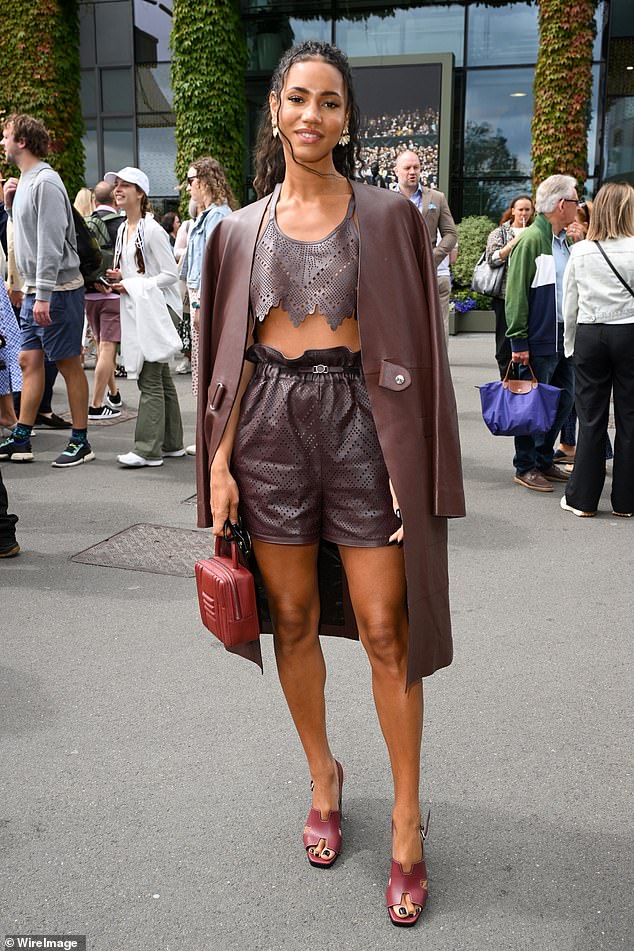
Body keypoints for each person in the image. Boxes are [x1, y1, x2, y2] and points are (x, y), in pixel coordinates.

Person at [196, 41, 464, 927]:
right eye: (298, 99)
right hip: (267, 430)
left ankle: (404, 818)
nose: (313, 116)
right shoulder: (236, 227)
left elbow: (421, 352)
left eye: (331, 104)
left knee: (390, 628)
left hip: (361, 426)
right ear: (275, 108)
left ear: (349, 121)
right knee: (296, 617)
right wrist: (219, 462)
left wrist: (408, 462)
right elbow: (225, 358)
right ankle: (322, 772)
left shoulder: (391, 217)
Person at [0, 114, 94, 468]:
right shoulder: (25, 181)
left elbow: (51, 243)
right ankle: (22, 436)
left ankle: (81, 441)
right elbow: (25, 237)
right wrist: (10, 205)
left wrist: (41, 294)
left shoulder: (46, 182)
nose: (3, 142)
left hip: (57, 291)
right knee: (28, 360)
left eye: (6, 136)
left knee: (69, 364)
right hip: (38, 290)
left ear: (22, 141)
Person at [504, 174, 585, 492]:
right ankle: (525, 465)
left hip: (564, 336)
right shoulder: (531, 241)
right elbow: (516, 294)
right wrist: (519, 340)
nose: (578, 206)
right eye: (576, 201)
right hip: (540, 337)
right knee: (532, 404)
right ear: (562, 204)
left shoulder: (562, 240)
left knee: (564, 401)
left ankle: (542, 458)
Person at [560, 182, 634, 518]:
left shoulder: (581, 251)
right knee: (631, 418)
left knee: (590, 418)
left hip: (591, 332)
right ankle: (627, 500)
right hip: (629, 332)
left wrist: (570, 344)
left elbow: (569, 305)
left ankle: (582, 500)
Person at [104, 167, 185, 468]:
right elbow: (138, 272)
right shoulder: (125, 228)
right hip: (146, 306)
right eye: (116, 185)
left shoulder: (151, 230)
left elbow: (169, 274)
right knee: (160, 377)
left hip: (160, 309)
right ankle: (172, 444)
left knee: (149, 378)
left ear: (140, 193)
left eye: (126, 185)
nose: (118, 189)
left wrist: (132, 283)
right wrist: (120, 276)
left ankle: (148, 450)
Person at [184, 156, 235, 456]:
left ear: (203, 181)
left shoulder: (216, 217)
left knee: (207, 369)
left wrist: (200, 304)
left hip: (205, 299)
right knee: (202, 369)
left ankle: (211, 437)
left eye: (191, 181)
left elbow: (210, 266)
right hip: (201, 297)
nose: (188, 187)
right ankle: (209, 436)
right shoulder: (209, 216)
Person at [394, 149, 457, 341]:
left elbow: (451, 234)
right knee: (402, 329)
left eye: (416, 167)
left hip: (433, 275)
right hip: (399, 275)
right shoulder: (385, 198)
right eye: (407, 168)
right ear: (396, 171)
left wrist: (432, 257)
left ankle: (439, 371)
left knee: (438, 329)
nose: (412, 171)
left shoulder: (437, 198)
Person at [84, 180, 124, 420]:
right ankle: (96, 405)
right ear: (114, 200)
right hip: (113, 293)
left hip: (89, 294)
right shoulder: (121, 224)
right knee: (108, 349)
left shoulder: (85, 224)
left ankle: (114, 394)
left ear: (94, 200)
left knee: (102, 348)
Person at [485, 194, 534, 378]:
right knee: (504, 345)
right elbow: (492, 259)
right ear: (513, 211)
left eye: (527, 209)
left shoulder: (535, 232)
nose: (524, 213)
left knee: (527, 343)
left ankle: (525, 383)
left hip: (530, 295)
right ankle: (507, 382)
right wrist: (513, 244)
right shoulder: (500, 233)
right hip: (505, 296)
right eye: (520, 209)